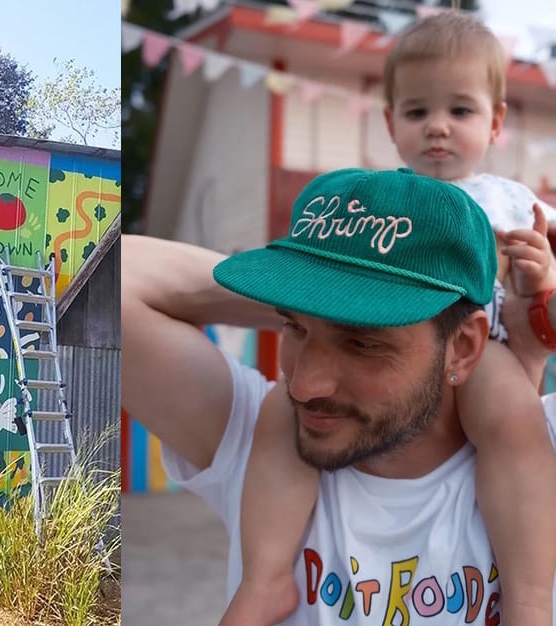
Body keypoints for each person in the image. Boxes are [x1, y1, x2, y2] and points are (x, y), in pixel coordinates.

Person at [226, 13, 556, 625]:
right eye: (416, 111)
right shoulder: (374, 199)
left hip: (488, 349)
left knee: (514, 427)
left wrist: (541, 280)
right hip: (399, 338)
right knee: (282, 404)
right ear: (389, 122)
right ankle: (266, 576)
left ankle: (532, 600)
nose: (437, 126)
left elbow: (532, 289)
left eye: (460, 111)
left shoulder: (516, 201)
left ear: (496, 122)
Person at [123, 167, 556, 625]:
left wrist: (530, 327)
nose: (304, 386)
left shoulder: (537, 450)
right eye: (294, 326)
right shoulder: (264, 448)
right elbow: (117, 276)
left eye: (362, 342)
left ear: (464, 347)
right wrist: (309, 291)